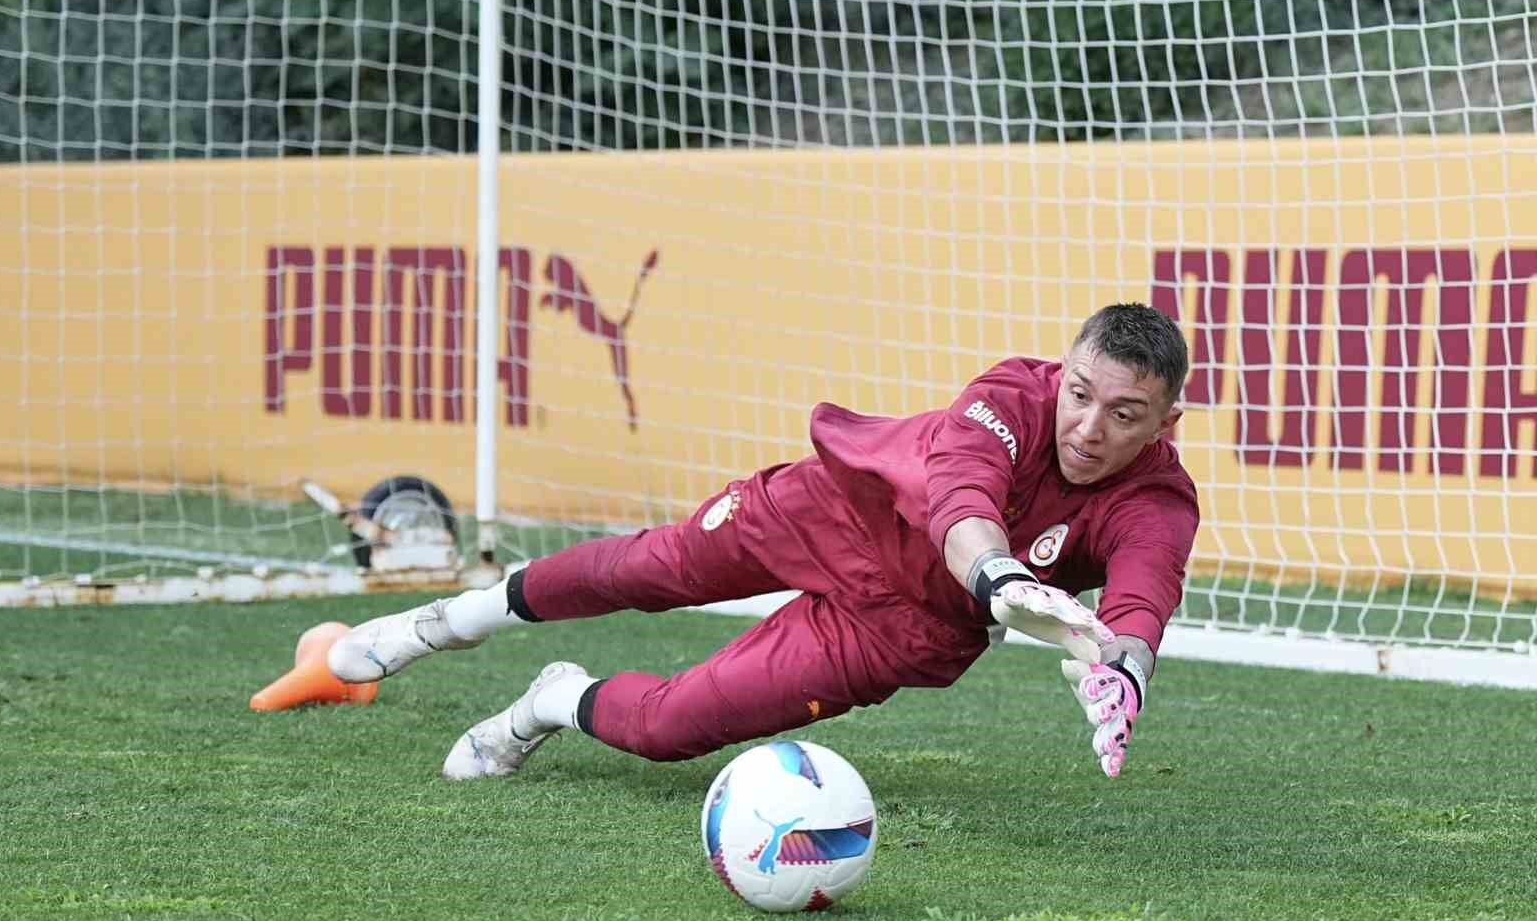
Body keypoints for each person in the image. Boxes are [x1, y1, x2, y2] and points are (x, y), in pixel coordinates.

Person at [329, 302, 1199, 784]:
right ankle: (456, 618)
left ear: (1165, 421)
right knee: (648, 566)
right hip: (831, 513)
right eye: (1079, 394)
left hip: (900, 629)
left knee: (674, 727)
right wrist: (999, 575)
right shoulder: (1013, 392)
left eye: (1123, 414)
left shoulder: (1157, 498)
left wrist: (1122, 669)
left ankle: (548, 702)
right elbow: (961, 499)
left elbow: (1141, 596)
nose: (1087, 427)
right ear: (1063, 371)